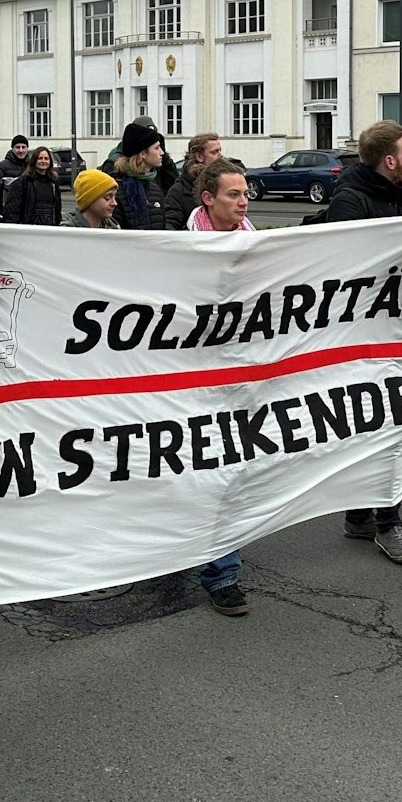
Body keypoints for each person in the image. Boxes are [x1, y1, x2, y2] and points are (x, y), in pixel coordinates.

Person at [322, 120, 402, 564]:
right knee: (385, 424)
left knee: (378, 425)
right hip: (363, 337)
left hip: (394, 329)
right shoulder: (351, 201)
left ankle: (360, 515)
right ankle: (388, 523)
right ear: (389, 161)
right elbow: (349, 270)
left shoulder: (394, 196)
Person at [183, 158, 257, 615]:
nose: (243, 200)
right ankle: (220, 573)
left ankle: (220, 564)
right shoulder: (183, 249)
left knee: (233, 472)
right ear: (209, 199)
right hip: (198, 379)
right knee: (210, 474)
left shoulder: (255, 242)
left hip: (244, 375)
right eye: (233, 193)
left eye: (245, 192)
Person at [102, 121, 173, 230]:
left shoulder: (154, 188)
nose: (162, 152)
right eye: (157, 148)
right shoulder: (116, 191)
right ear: (143, 154)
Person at [164, 132, 222, 221]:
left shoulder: (225, 183)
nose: (221, 155)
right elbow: (171, 227)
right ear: (199, 157)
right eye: (214, 152)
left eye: (220, 150)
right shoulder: (178, 191)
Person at [2, 146, 62, 225]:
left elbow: (57, 210)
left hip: (50, 230)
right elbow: (12, 210)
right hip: (28, 231)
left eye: (46, 158)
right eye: (40, 158)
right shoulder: (23, 182)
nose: (43, 161)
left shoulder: (53, 184)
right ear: (34, 161)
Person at [0, 134, 30, 213]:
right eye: (17, 147)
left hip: (27, 211)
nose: (21, 150)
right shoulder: (3, 166)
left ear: (27, 149)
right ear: (12, 149)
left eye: (23, 147)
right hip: (8, 211)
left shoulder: (31, 166)